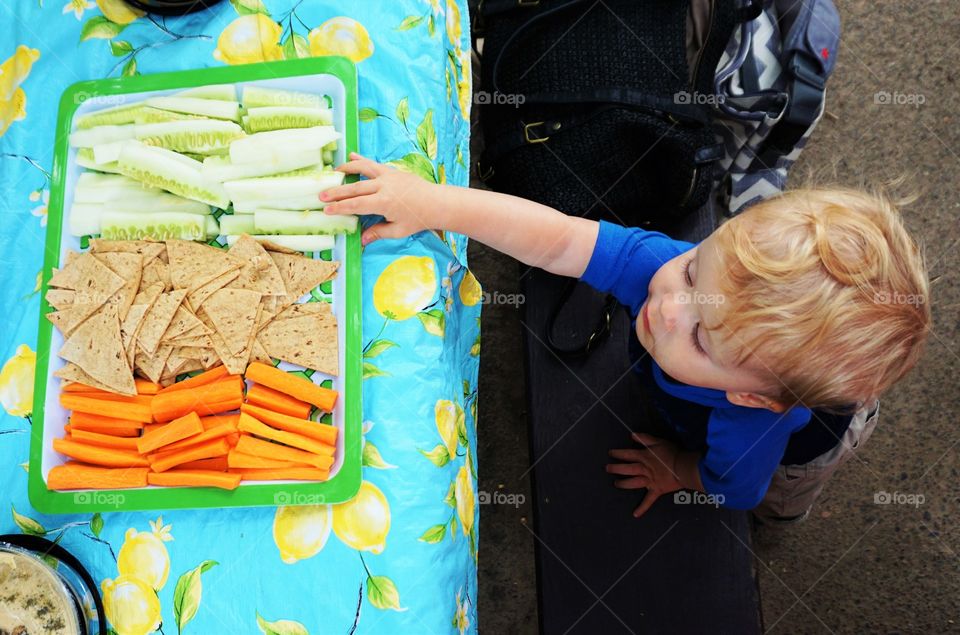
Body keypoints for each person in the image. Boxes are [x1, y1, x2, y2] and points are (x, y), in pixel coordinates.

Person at [320, 153, 930, 523]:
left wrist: (681, 471)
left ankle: (791, 512)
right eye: (694, 270)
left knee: (775, 500)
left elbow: (734, 488)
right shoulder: (674, 273)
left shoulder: (752, 428)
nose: (666, 307)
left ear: (748, 395)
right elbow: (557, 239)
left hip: (801, 449)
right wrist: (434, 204)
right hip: (733, 394)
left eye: (701, 336)